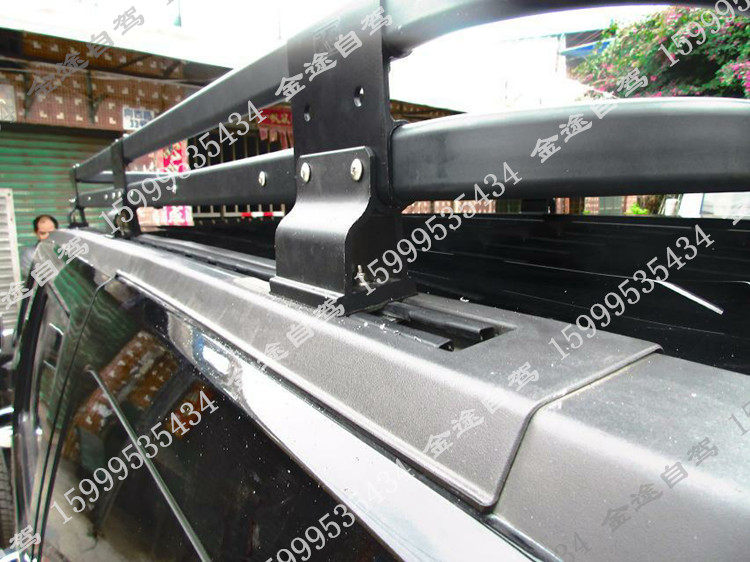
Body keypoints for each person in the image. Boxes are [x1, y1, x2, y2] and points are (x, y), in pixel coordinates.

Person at [19, 215, 58, 280]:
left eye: (52, 233)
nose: (48, 236)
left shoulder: (65, 251)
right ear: (36, 233)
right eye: (43, 233)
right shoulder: (29, 255)